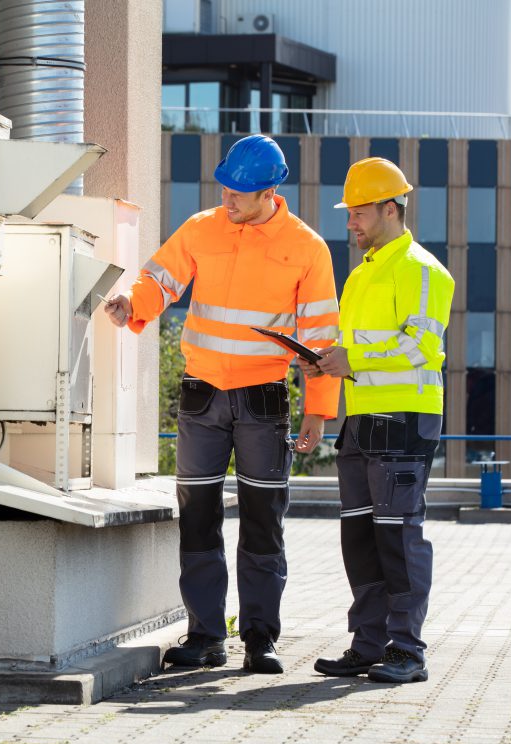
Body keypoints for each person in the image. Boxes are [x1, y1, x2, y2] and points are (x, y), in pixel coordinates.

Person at [104, 135, 341, 674]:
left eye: (241, 192)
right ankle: (206, 636)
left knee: (263, 522)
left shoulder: (307, 248)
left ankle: (260, 640)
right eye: (226, 188)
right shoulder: (201, 228)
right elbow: (159, 280)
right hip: (202, 396)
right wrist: (132, 304)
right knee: (198, 520)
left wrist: (317, 411)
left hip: (263, 400)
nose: (229, 199)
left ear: (271, 191)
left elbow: (322, 338)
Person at [303, 157, 454, 684]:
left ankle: (407, 650)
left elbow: (421, 347)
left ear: (390, 210)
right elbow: (361, 348)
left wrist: (353, 359)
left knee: (398, 537)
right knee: (361, 538)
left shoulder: (422, 270)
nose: (350, 222)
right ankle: (368, 644)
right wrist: (326, 358)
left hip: (404, 423)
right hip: (362, 420)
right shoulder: (365, 273)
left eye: (359, 212)